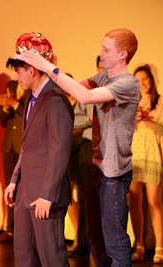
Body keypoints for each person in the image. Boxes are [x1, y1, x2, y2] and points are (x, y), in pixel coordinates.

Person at [21, 28, 140, 267]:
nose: (100, 53)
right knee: (95, 240)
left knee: (115, 243)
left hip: (114, 175)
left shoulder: (128, 83)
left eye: (106, 50)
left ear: (123, 55)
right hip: (98, 170)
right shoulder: (104, 76)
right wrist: (43, 69)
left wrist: (49, 69)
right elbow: (71, 87)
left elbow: (84, 97)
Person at [4, 32, 74, 267]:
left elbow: (59, 151)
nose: (16, 77)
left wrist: (47, 195)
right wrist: (15, 180)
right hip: (26, 191)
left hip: (45, 195)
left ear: (32, 70)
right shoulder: (31, 99)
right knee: (25, 257)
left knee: (51, 257)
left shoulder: (55, 100)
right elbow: (28, 148)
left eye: (19, 71)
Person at [129, 65, 163, 264]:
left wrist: (144, 119)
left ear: (151, 79)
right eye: (137, 80)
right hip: (132, 158)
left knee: (154, 202)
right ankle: (139, 245)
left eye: (145, 79)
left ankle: (160, 247)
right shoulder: (131, 103)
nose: (142, 83)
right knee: (135, 202)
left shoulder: (162, 101)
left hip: (153, 157)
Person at [0, 80, 30, 242]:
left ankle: (26, 231)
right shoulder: (11, 85)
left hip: (25, 146)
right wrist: (6, 107)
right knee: (10, 189)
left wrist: (14, 103)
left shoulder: (34, 88)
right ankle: (11, 230)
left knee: (26, 189)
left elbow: (31, 115)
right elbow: (1, 118)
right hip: (9, 146)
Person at [67, 98, 94, 257]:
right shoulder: (88, 94)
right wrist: (91, 119)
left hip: (112, 146)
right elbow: (76, 121)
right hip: (88, 145)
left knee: (111, 199)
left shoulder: (118, 91)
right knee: (86, 196)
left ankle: (108, 246)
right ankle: (83, 242)